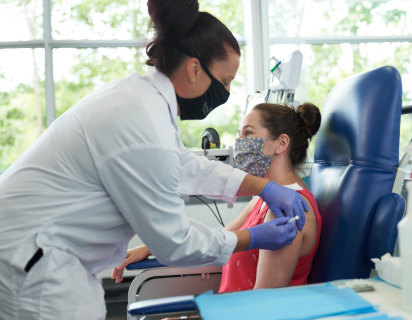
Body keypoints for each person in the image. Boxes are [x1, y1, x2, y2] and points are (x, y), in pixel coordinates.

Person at [0, 1, 308, 319]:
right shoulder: (140, 120)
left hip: (43, 252)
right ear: (193, 69)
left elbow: (183, 164)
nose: (226, 91)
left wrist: (262, 187)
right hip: (31, 260)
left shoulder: (143, 104)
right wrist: (253, 237)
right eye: (225, 81)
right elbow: (175, 241)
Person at [113, 102, 322, 293]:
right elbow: (221, 238)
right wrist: (152, 247)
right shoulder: (264, 198)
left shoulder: (286, 209)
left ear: (281, 143)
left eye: (248, 133)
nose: (239, 142)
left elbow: (264, 304)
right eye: (239, 134)